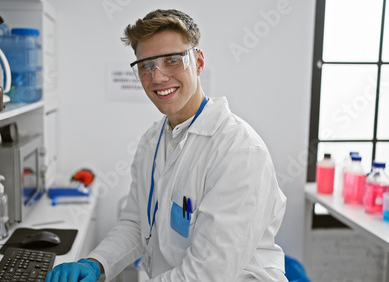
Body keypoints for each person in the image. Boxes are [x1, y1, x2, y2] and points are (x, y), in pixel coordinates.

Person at [46, 9, 287, 282]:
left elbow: (207, 274)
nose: (158, 77)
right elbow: (136, 224)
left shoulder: (239, 151)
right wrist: (96, 263)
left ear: (198, 62)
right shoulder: (153, 140)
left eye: (172, 60)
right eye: (146, 65)